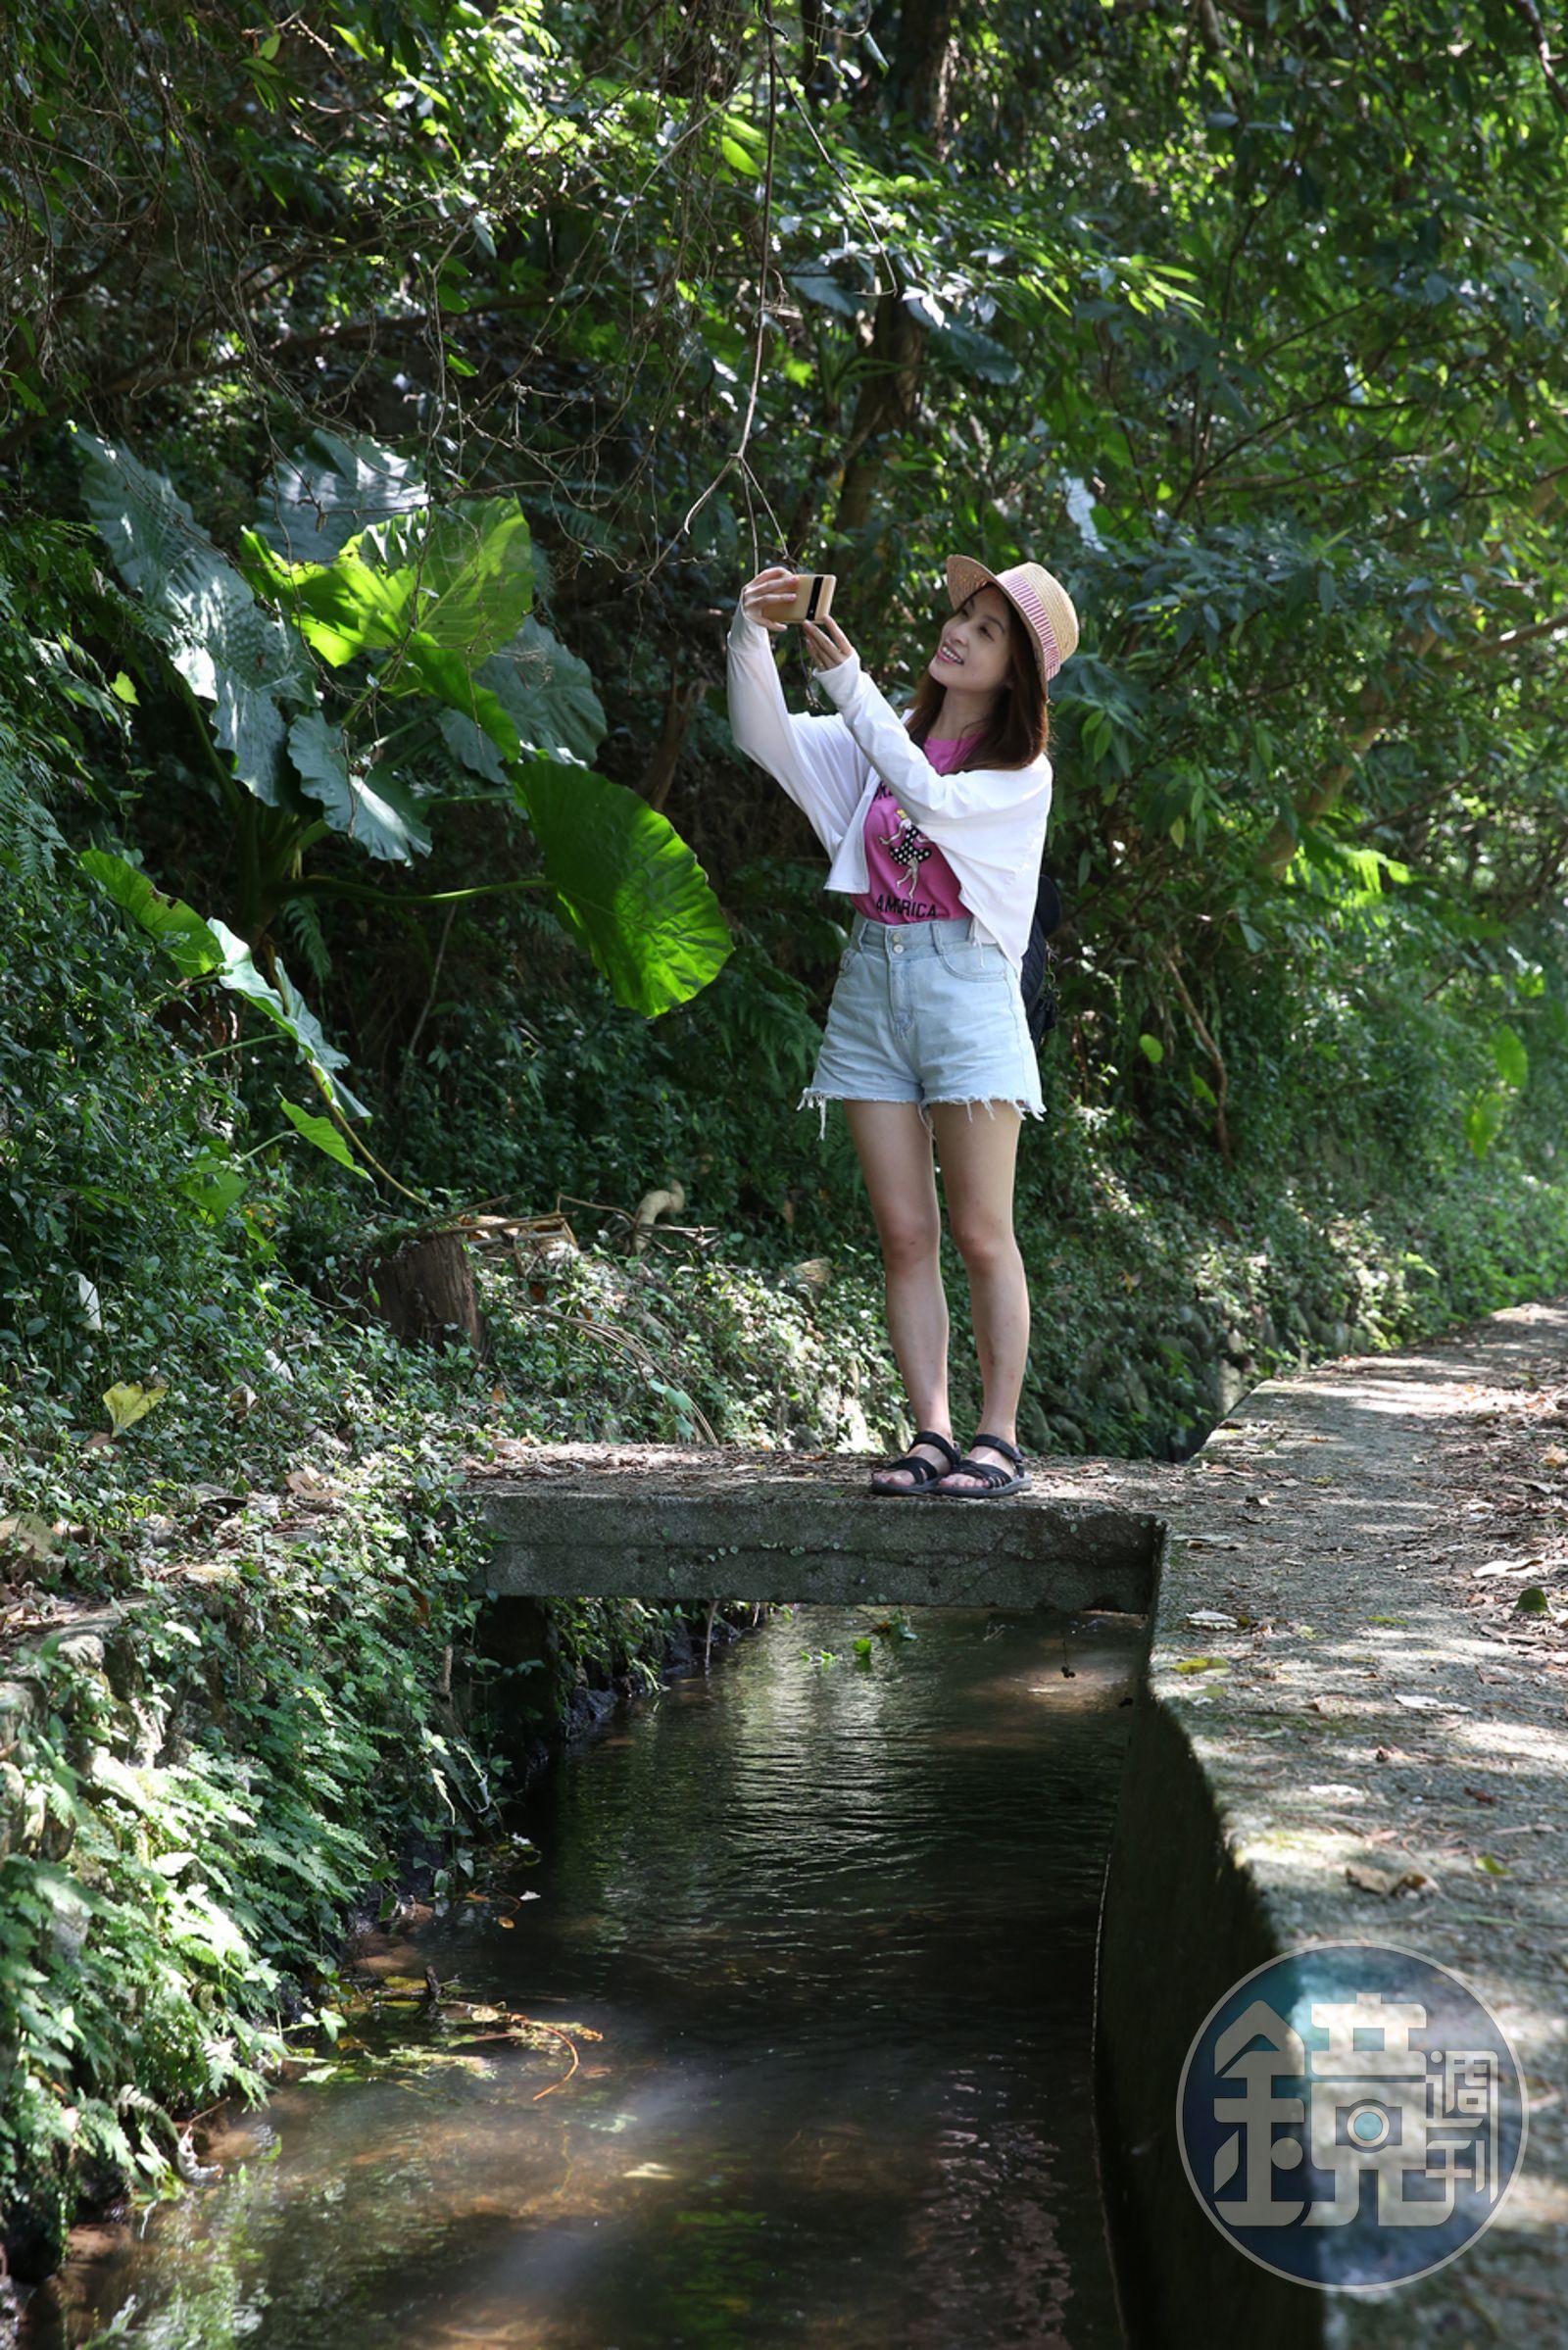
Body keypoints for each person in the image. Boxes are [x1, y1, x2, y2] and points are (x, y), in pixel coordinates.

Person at [727, 554, 1079, 1498]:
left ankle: (997, 1438)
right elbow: (763, 734)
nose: (958, 632)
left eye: (989, 629)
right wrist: (752, 630)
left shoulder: (1021, 776)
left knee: (981, 1232)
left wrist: (847, 684)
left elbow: (934, 799)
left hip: (966, 988)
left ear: (1017, 675)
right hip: (873, 982)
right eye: (963, 614)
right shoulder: (890, 738)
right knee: (904, 1233)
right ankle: (930, 1432)